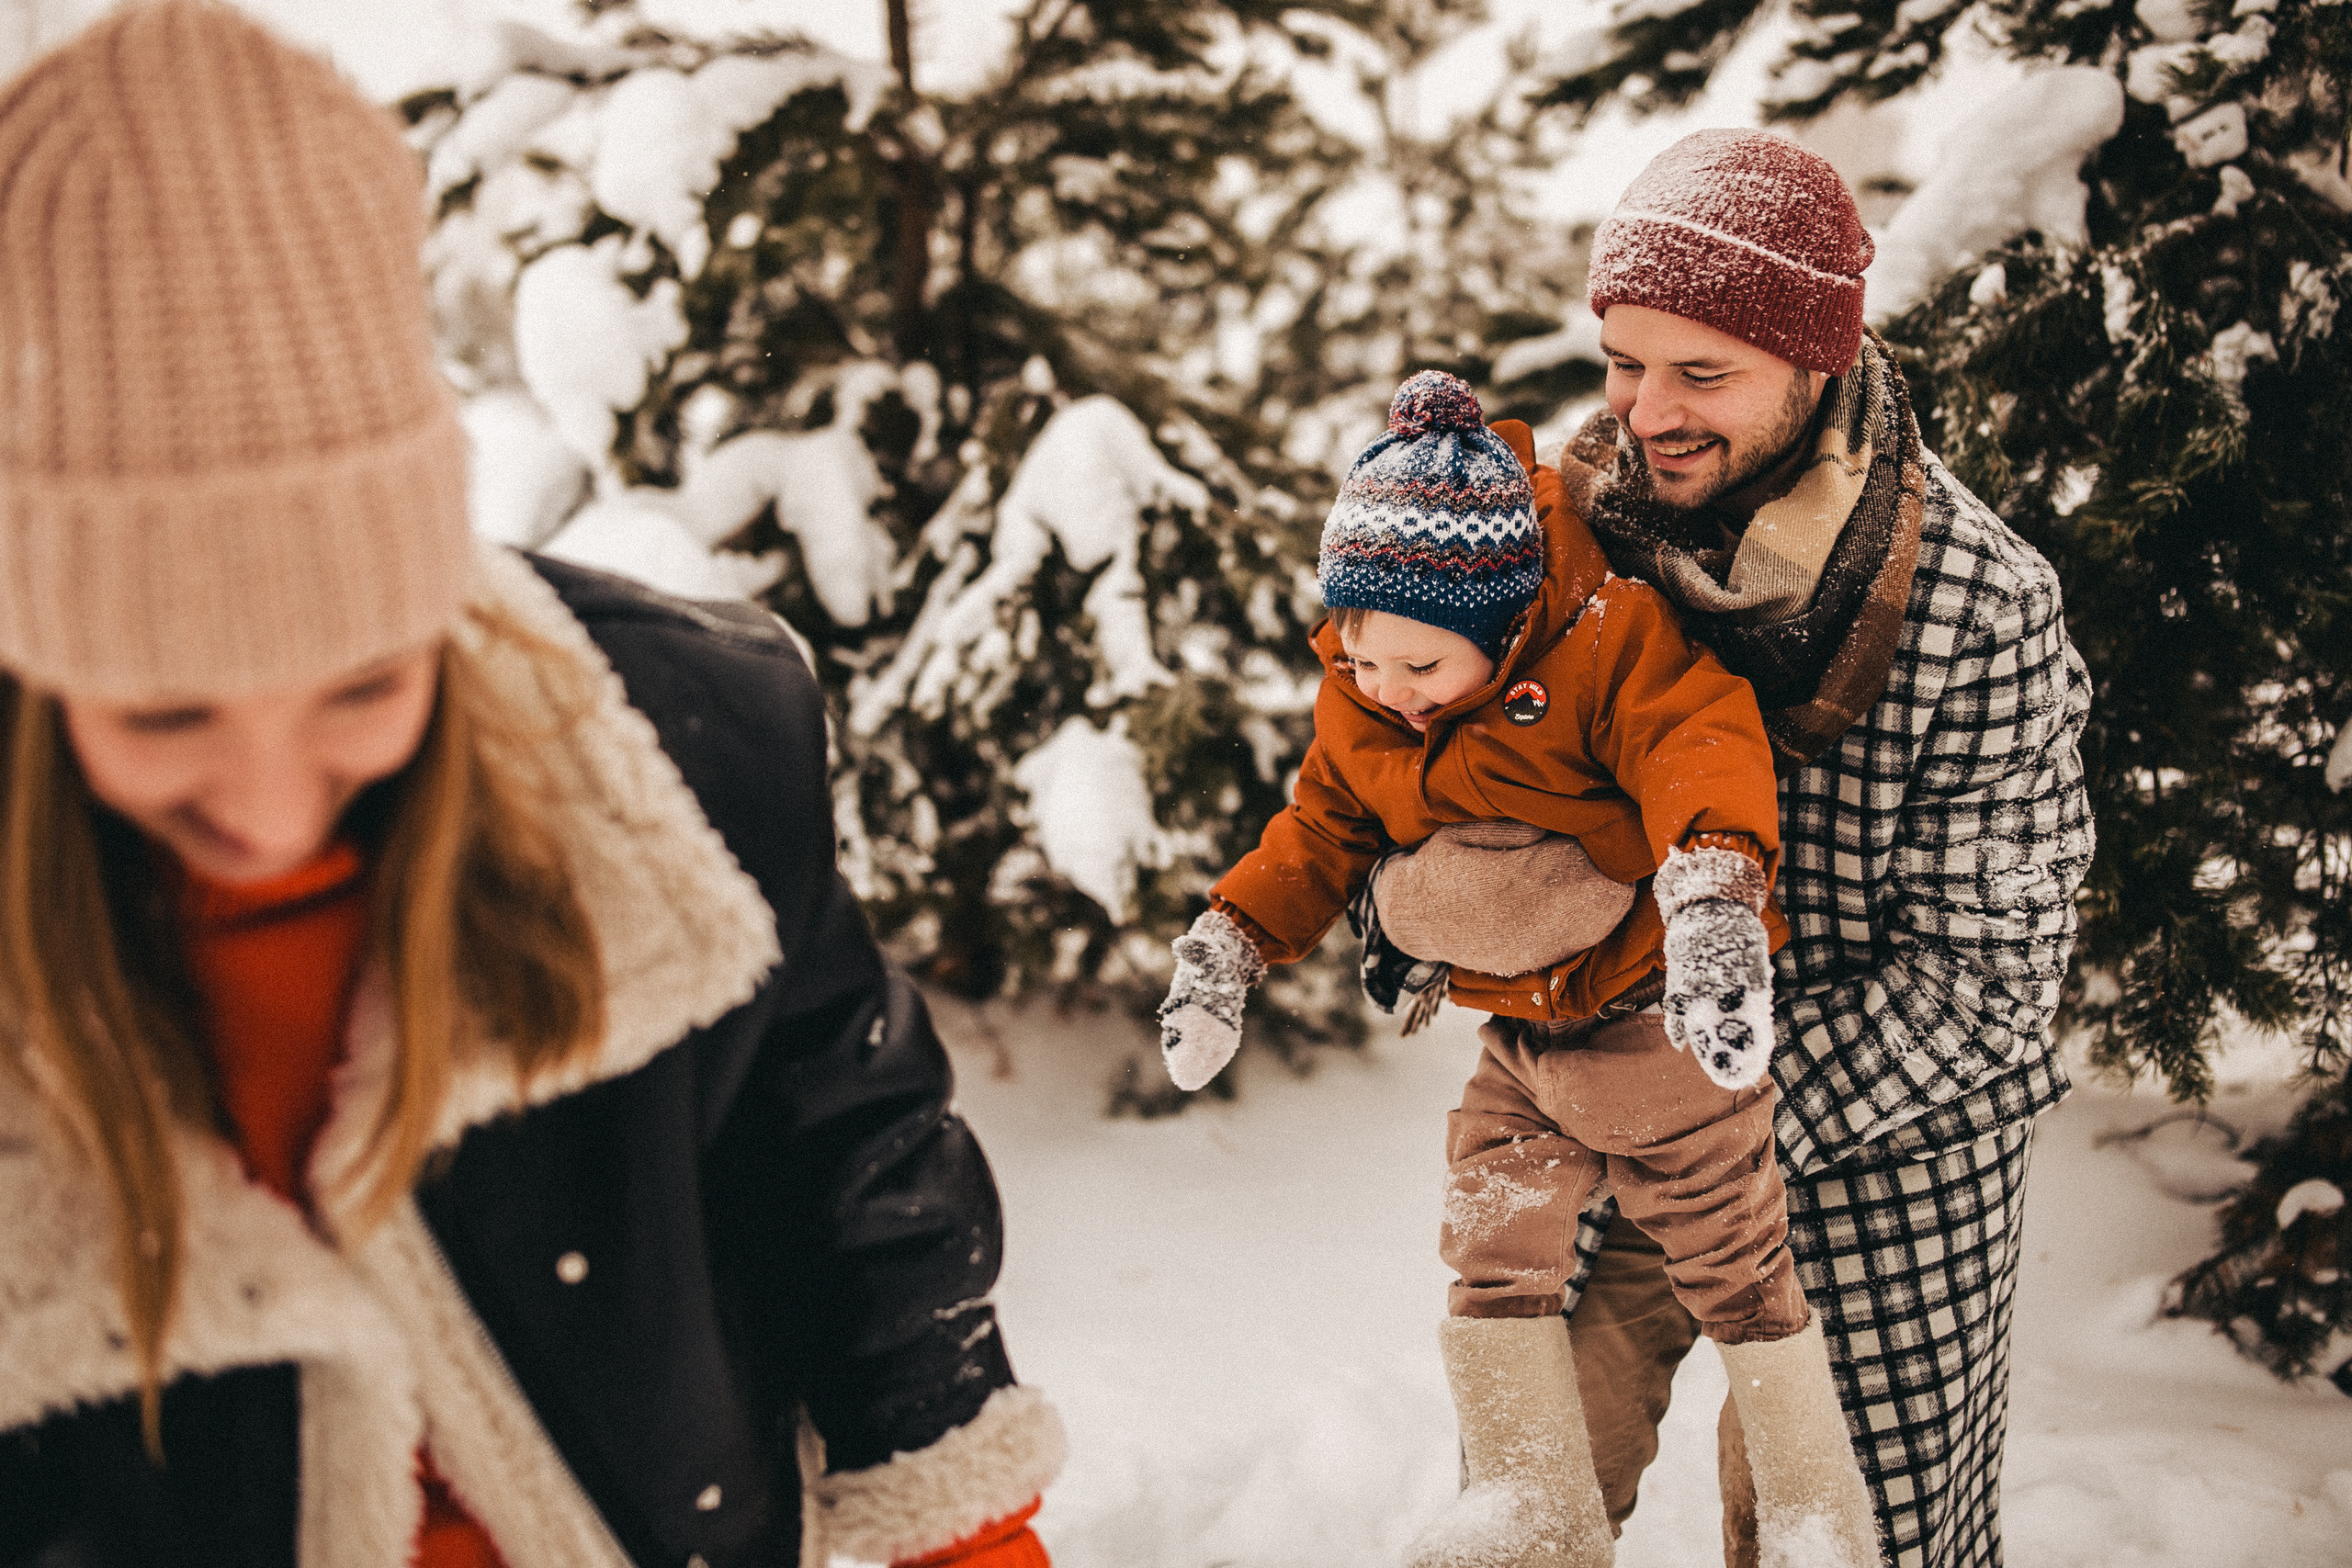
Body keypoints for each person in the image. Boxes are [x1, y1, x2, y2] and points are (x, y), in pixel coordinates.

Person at [0, 6, 1060, 1566]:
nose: (272, 809)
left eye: (360, 687)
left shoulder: (671, 764)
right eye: (167, 714)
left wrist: (966, 1538)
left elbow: (847, 1163)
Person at [1368, 130, 2095, 1568]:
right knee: (1525, 1515)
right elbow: (1417, 750)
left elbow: (1988, 984)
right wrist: (1410, 899)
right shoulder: (1554, 547)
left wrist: (1694, 1112)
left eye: (1702, 373)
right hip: (1595, 1113)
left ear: (1818, 359)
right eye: (1624, 362)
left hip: (1881, 1144)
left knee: (1854, 1543)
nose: (1647, 413)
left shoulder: (1979, 603)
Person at [1157, 370, 1882, 1566]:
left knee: (1734, 1262)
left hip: (1656, 1028)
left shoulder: (1607, 643)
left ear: (1502, 629)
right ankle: (1524, 1496)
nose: (1389, 695)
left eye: (1420, 669)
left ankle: (1810, 1504)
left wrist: (1713, 904)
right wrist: (1229, 945)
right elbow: (1318, 831)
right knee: (1489, 1243)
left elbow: (1699, 745)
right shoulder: (1367, 703)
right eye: (1362, 659)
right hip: (1525, 1045)